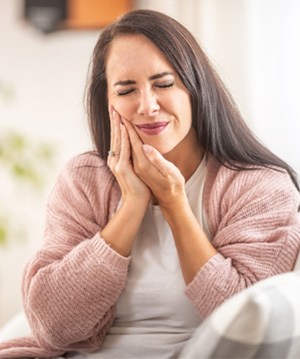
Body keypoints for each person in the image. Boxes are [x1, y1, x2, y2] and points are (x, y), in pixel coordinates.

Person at [0, 8, 300, 359]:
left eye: (164, 83)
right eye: (126, 90)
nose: (148, 105)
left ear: (194, 87)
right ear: (107, 102)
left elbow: (249, 325)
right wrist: (131, 203)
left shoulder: (259, 188)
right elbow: (54, 326)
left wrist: (174, 202)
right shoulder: (83, 180)